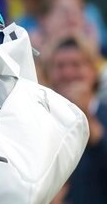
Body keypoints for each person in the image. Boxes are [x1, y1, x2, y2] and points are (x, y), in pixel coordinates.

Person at [45, 37, 107, 204]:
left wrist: (87, 116)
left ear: (93, 71)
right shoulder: (42, 119)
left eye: (76, 64)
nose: (68, 73)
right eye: (60, 66)